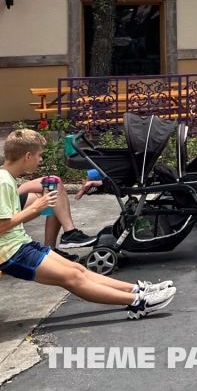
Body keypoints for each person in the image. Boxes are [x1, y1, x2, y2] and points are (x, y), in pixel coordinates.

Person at [0, 130, 175, 318]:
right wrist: (35, 208)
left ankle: (135, 290)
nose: (40, 160)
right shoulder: (3, 182)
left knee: (77, 269)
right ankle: (138, 303)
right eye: (39, 156)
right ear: (27, 156)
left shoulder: (7, 179)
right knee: (72, 278)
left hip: (21, 244)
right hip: (11, 253)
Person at [17, 173, 100, 251]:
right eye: (38, 156)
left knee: (53, 188)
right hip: (9, 207)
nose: (41, 159)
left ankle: (51, 249)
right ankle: (69, 233)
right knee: (54, 185)